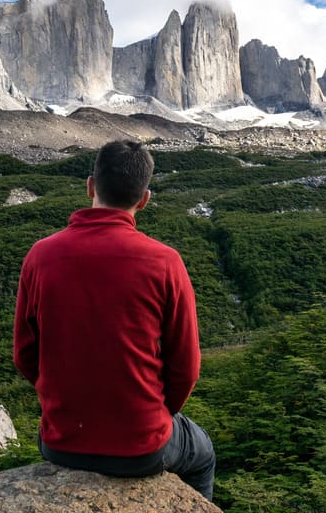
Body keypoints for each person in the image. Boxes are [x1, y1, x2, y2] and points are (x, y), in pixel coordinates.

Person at [13, 139, 216, 500]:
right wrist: (154, 415)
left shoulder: (39, 256)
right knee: (203, 454)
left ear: (91, 186)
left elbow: (25, 357)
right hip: (143, 446)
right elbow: (187, 368)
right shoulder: (166, 262)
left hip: (61, 443)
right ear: (144, 199)